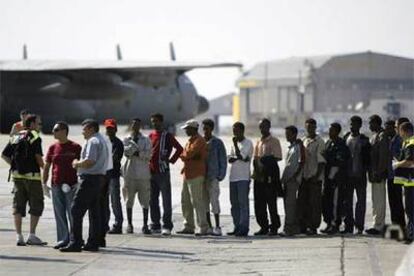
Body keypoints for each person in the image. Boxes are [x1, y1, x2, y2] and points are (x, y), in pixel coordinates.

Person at [60, 119, 108, 252]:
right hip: (98, 179)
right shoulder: (101, 140)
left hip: (89, 179)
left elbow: (90, 161)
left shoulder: (93, 141)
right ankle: (93, 242)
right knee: (94, 212)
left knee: (76, 210)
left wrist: (76, 164)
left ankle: (76, 242)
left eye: (84, 129)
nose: (82, 132)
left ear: (91, 128)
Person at [2, 114, 47, 246]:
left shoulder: (16, 136)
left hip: (17, 177)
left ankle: (19, 236)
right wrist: (45, 168)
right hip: (33, 178)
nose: (40, 126)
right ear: (32, 124)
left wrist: (14, 165)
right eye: (38, 124)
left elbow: (4, 155)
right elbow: (38, 157)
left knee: (18, 206)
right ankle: (32, 235)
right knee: (36, 205)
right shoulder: (35, 136)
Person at [43, 122, 81, 249]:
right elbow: (47, 167)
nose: (53, 132)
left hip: (71, 185)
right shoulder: (53, 148)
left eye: (56, 130)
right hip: (56, 185)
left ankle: (74, 239)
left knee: (72, 213)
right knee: (59, 213)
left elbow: (81, 166)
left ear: (64, 131)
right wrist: (44, 183)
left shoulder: (76, 147)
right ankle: (62, 239)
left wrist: (79, 183)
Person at [149, 113, 183, 236]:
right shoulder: (151, 136)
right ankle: (155, 224)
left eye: (156, 121)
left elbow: (179, 149)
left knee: (166, 200)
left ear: (161, 122)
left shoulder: (167, 136)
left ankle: (167, 225)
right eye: (153, 121)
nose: (154, 123)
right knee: (152, 200)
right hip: (151, 172)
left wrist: (171, 160)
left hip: (163, 172)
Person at [177, 119, 209, 236]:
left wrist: (186, 155)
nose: (186, 131)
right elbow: (186, 154)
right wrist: (187, 156)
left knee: (197, 201)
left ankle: (203, 226)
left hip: (196, 174)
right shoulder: (190, 141)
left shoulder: (199, 141)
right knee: (185, 201)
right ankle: (189, 225)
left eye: (187, 129)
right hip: (187, 174)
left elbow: (189, 153)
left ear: (193, 129)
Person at [252, 118, 282, 236]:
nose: (262, 129)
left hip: (269, 176)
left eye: (264, 126)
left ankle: (274, 227)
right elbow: (255, 157)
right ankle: (263, 226)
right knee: (259, 204)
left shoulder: (274, 141)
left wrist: (265, 160)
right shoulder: (258, 142)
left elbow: (278, 157)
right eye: (260, 127)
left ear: (269, 127)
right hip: (259, 176)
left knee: (271, 204)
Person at [122, 118, 152, 234]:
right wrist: (137, 152)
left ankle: (145, 225)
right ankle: (129, 224)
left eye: (138, 125)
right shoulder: (126, 139)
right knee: (129, 200)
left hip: (143, 174)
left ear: (140, 126)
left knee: (145, 200)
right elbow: (126, 152)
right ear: (131, 125)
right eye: (133, 124)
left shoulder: (146, 139)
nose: (135, 127)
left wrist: (137, 153)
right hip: (130, 174)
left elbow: (149, 154)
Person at [297, 118, 326, 235]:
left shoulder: (319, 141)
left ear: (315, 127)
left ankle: (313, 226)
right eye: (307, 127)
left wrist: (317, 176)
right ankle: (303, 225)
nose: (309, 129)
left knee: (315, 204)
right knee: (303, 203)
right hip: (305, 177)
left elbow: (322, 162)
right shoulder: (304, 141)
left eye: (311, 127)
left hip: (315, 178)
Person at [343, 115, 370, 234]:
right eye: (350, 124)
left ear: (359, 125)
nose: (351, 126)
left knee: (361, 202)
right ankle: (348, 226)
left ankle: (359, 226)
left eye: (354, 124)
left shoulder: (364, 140)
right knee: (347, 202)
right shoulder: (345, 138)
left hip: (360, 175)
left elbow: (369, 159)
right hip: (348, 176)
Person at [321, 123, 350, 234]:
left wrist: (327, 157)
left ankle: (335, 224)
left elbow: (340, 160)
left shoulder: (341, 144)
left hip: (337, 177)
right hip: (328, 177)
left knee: (336, 202)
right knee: (326, 201)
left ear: (337, 132)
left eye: (331, 130)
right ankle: (328, 223)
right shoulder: (328, 143)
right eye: (329, 130)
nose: (329, 132)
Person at [227, 122, 254, 237]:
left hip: (243, 177)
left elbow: (242, 157)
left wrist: (236, 149)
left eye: (236, 131)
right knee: (234, 204)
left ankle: (244, 228)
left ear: (242, 131)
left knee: (243, 204)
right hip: (233, 177)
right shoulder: (233, 144)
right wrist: (235, 156)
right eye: (233, 131)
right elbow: (230, 158)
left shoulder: (248, 143)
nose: (234, 133)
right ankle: (237, 226)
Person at [202, 119, 227, 236]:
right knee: (205, 203)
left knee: (214, 202)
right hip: (202, 177)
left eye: (206, 128)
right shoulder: (200, 141)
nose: (204, 131)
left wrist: (220, 176)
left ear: (211, 129)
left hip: (213, 177)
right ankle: (209, 226)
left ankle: (217, 226)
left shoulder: (217, 143)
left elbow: (223, 160)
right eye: (203, 128)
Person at [366, 114, 390, 235]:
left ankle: (379, 226)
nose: (369, 125)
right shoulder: (374, 136)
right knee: (375, 200)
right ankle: (376, 224)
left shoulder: (382, 136)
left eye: (371, 123)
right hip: (373, 173)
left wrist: (379, 172)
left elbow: (383, 157)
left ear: (376, 123)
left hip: (378, 174)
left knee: (379, 200)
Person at [281, 126, 305, 236]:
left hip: (293, 180)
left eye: (289, 134)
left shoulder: (298, 146)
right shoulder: (290, 147)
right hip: (287, 179)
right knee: (287, 204)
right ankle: (288, 227)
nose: (286, 136)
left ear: (294, 134)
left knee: (291, 204)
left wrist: (295, 176)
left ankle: (289, 228)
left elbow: (301, 162)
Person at [393, 122, 414, 243]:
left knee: (410, 209)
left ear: (404, 131)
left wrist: (397, 164)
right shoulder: (408, 142)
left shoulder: (410, 143)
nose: (399, 134)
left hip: (411, 181)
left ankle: (411, 235)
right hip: (410, 181)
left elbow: (410, 161)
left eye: (399, 131)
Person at [104, 119, 125, 234]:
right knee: (104, 201)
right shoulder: (102, 142)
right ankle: (104, 224)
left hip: (113, 176)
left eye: (111, 128)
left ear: (115, 129)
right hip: (103, 176)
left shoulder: (118, 143)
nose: (109, 130)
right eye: (108, 128)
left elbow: (114, 158)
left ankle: (118, 224)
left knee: (115, 201)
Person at [384, 119, 406, 230]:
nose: (386, 130)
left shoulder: (399, 140)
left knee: (398, 202)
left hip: (398, 175)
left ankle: (401, 225)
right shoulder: (389, 140)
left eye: (388, 128)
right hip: (390, 175)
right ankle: (395, 224)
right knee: (392, 202)